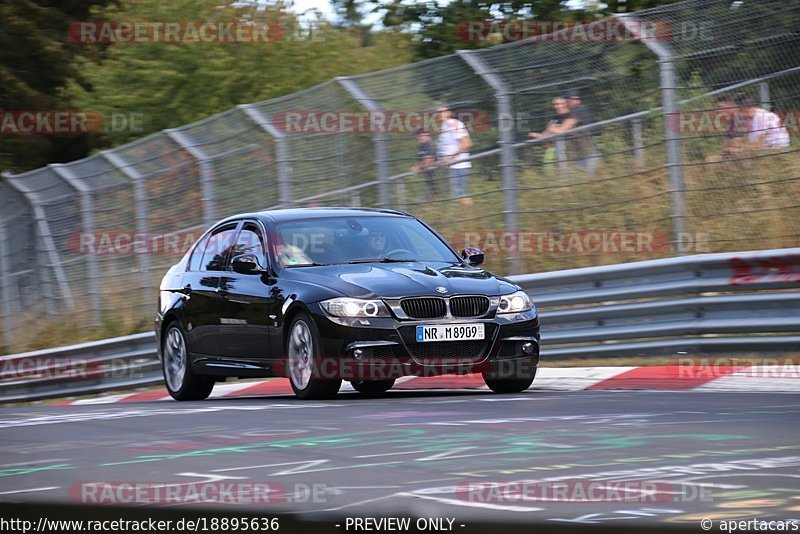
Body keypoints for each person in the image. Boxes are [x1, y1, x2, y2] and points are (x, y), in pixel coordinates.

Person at [529, 89, 599, 175]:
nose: (556, 106)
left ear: (566, 103)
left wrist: (552, 130)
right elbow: (545, 138)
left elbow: (561, 130)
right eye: (554, 104)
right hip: (574, 159)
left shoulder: (579, 110)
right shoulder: (556, 120)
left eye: (560, 104)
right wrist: (537, 135)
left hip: (589, 155)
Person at [436, 105, 473, 207]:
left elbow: (467, 143)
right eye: (438, 112)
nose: (439, 114)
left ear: (448, 112)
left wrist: (451, 157)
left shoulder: (453, 124)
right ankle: (465, 219)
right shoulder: (444, 127)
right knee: (457, 198)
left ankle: (471, 219)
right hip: (453, 167)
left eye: (442, 111)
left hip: (460, 165)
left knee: (462, 196)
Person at [410, 129, 440, 195]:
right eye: (418, 136)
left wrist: (417, 167)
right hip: (428, 176)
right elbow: (422, 161)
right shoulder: (421, 146)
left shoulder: (431, 145)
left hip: (438, 175)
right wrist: (418, 167)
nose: (419, 137)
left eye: (422, 135)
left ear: (427, 135)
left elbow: (428, 162)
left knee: (436, 195)